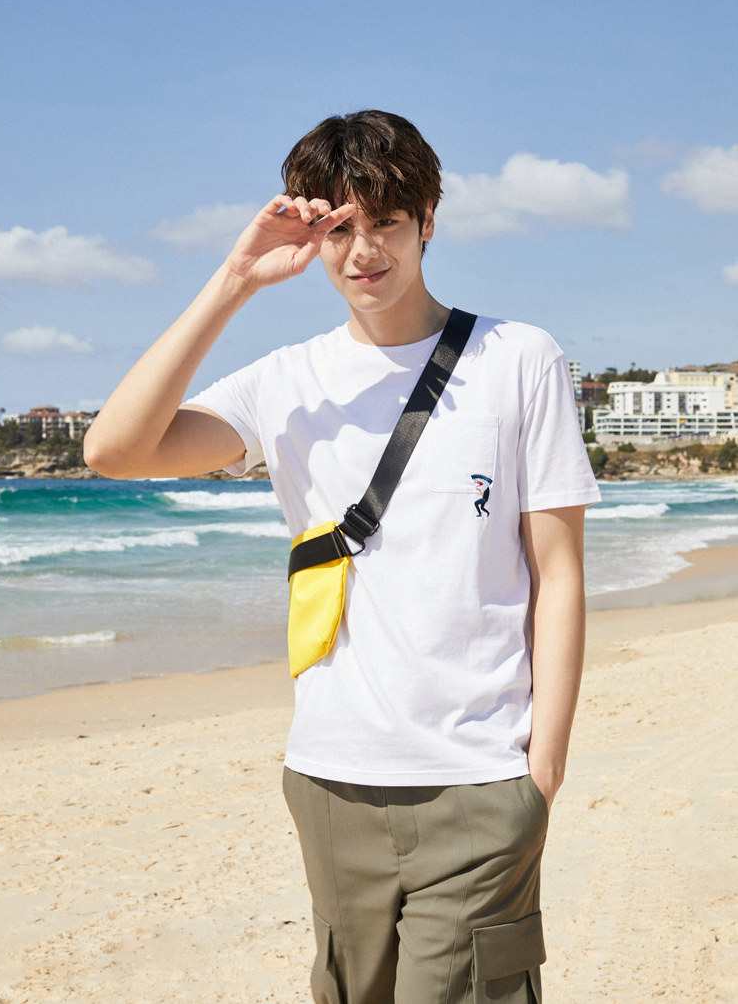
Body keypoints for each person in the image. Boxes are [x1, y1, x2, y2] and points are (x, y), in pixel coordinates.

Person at [84, 109, 601, 1004]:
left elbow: (558, 572)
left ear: (429, 218)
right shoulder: (287, 380)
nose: (364, 252)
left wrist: (541, 768)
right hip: (331, 781)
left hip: (481, 777)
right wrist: (235, 279)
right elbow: (114, 449)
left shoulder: (519, 358)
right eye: (339, 229)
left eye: (387, 222)